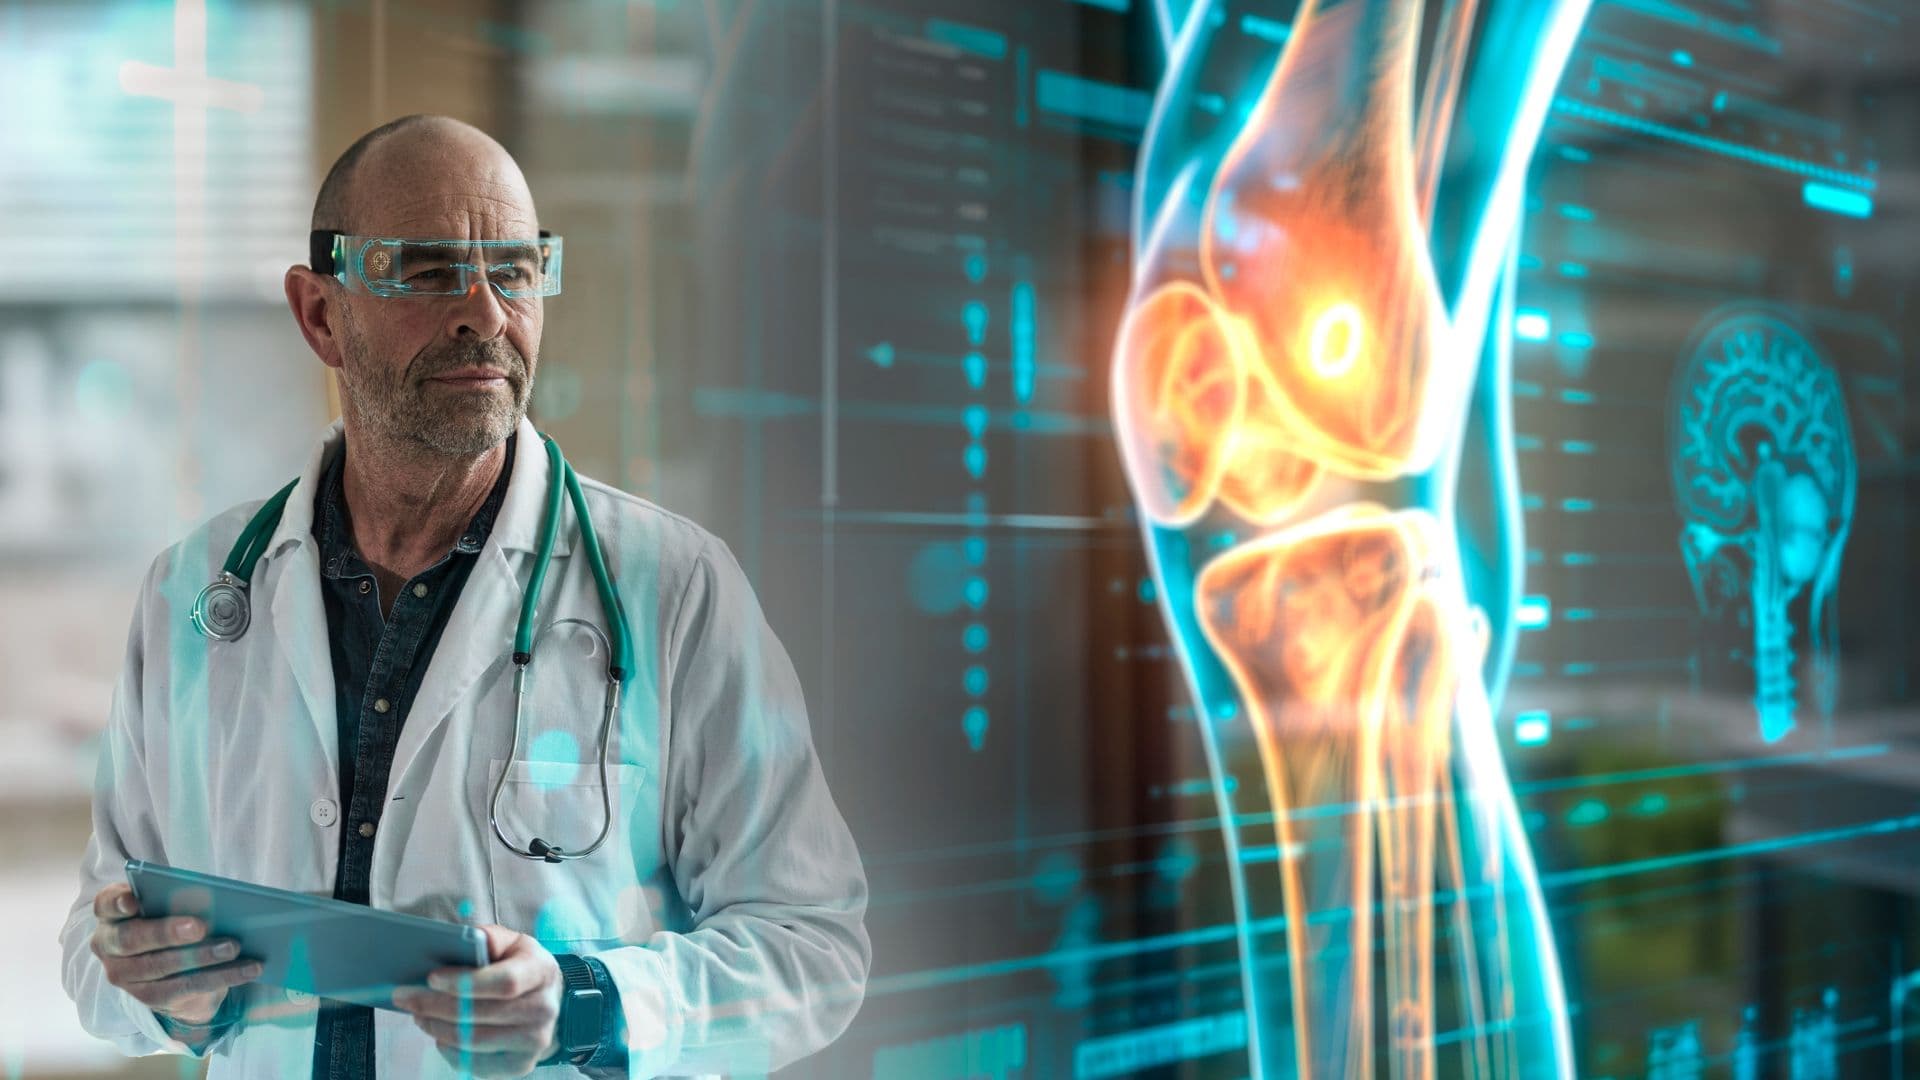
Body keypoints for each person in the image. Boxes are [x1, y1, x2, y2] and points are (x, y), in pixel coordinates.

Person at [57, 114, 870, 1078]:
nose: (485, 313)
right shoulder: (193, 593)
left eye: (515, 270)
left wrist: (590, 1004)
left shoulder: (675, 588)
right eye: (428, 270)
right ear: (320, 315)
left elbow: (814, 949)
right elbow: (97, 941)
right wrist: (166, 993)